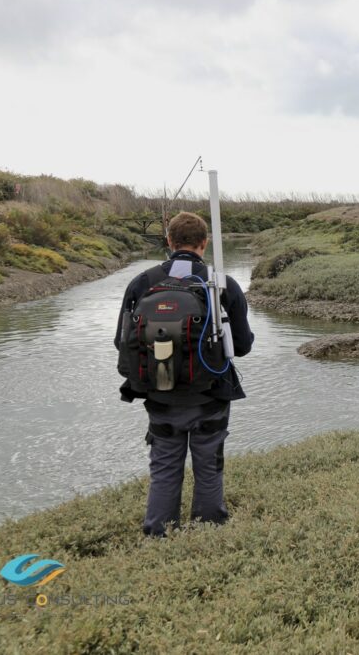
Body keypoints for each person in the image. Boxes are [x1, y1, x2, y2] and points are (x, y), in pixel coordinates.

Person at [114, 211, 254, 537]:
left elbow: (121, 342)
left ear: (169, 241)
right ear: (204, 243)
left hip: (159, 396)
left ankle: (159, 536)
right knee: (209, 465)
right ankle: (207, 533)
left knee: (164, 467)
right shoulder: (221, 283)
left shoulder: (143, 282)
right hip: (211, 394)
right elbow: (243, 346)